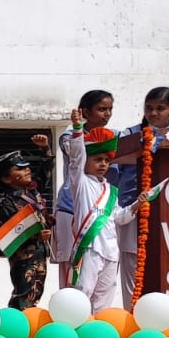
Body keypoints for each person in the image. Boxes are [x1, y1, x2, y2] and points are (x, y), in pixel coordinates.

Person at [62, 115, 149, 312]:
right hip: (90, 248)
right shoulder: (80, 183)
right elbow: (76, 159)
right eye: (97, 160)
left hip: (111, 251)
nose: (103, 164)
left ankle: (98, 335)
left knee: (104, 298)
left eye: (107, 161)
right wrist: (77, 129)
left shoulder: (111, 190)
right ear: (87, 161)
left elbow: (119, 217)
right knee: (82, 293)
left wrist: (137, 204)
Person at [112, 86, 169, 303]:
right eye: (149, 108)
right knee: (134, 264)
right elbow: (113, 171)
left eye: (161, 108)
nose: (154, 113)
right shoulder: (130, 135)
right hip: (133, 209)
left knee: (165, 263)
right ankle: (132, 318)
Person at [52, 90, 114, 286]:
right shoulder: (70, 135)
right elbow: (77, 155)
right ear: (85, 111)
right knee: (71, 265)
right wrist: (79, 129)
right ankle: (68, 309)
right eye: (101, 109)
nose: (107, 114)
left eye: (110, 109)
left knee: (99, 268)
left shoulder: (112, 137)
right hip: (71, 207)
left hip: (99, 209)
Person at [0, 151, 53, 309]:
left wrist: (45, 150)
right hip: (23, 257)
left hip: (40, 252)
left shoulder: (32, 192)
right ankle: (16, 326)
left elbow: (44, 173)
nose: (27, 170)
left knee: (36, 292)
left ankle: (28, 325)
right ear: (6, 178)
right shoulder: (7, 202)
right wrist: (36, 237)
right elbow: (14, 232)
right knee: (24, 293)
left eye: (27, 166)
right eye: (20, 168)